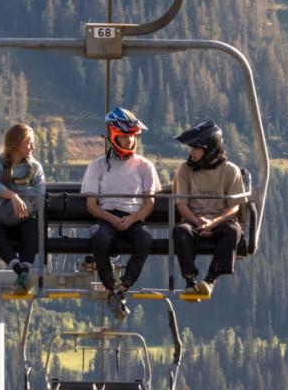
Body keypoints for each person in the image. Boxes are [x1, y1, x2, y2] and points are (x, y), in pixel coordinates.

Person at [82, 107, 160, 320]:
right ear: (114, 136)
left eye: (132, 137)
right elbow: (92, 205)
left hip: (134, 217)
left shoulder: (145, 166)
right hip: (106, 216)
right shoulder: (97, 166)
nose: (130, 142)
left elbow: (149, 202)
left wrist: (133, 218)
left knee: (145, 239)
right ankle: (111, 287)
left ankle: (124, 286)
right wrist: (111, 218)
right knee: (99, 239)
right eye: (125, 137)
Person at [170, 121, 244, 299]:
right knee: (180, 231)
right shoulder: (185, 170)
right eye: (191, 148)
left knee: (233, 231)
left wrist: (213, 223)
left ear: (210, 149)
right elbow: (181, 204)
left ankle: (211, 279)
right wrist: (197, 222)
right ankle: (190, 280)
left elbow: (234, 206)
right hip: (193, 221)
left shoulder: (230, 170)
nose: (192, 153)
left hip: (220, 222)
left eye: (197, 148)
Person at [0, 123, 45, 290]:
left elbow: (40, 193)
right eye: (28, 142)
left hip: (23, 218)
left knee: (31, 227)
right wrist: (12, 196)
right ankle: (21, 271)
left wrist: (24, 198)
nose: (33, 147)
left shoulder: (34, 168)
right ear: (17, 143)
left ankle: (22, 271)